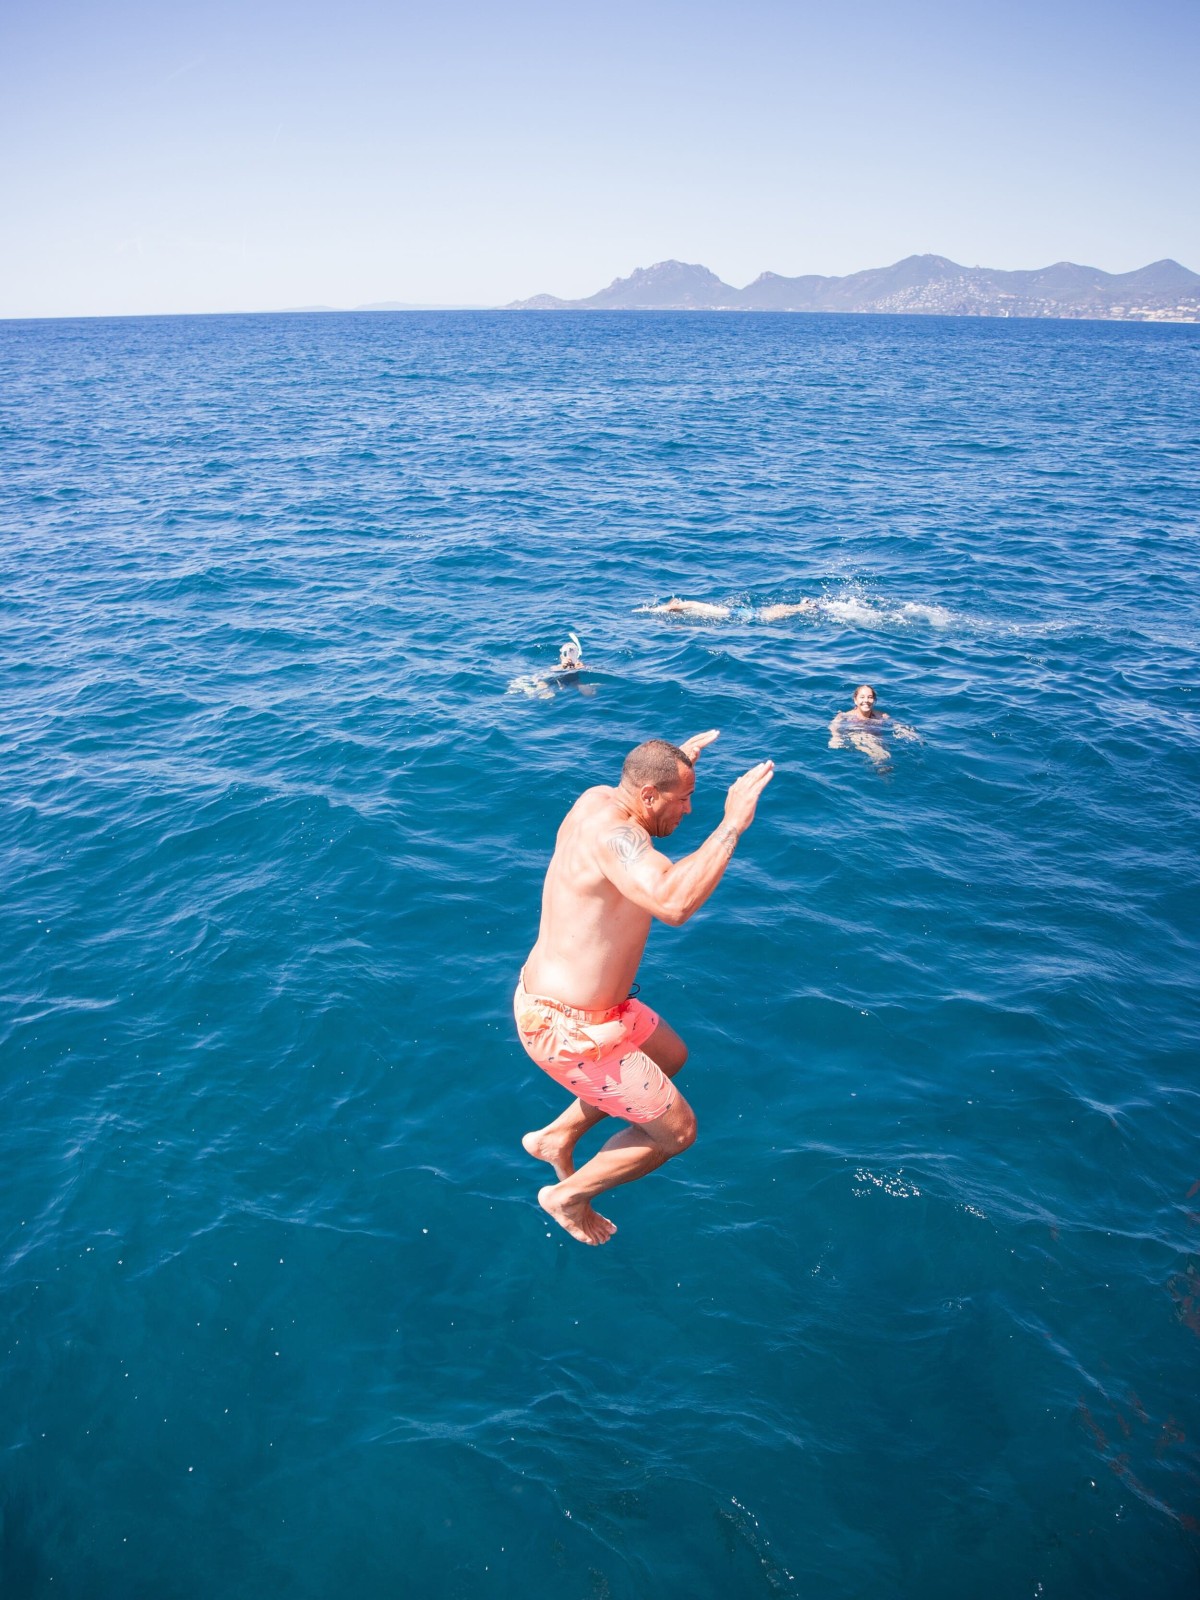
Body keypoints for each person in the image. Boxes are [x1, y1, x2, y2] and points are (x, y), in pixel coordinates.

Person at [515, 732, 774, 1244]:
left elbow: (643, 788)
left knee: (670, 1055)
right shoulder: (616, 837)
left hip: (578, 1004)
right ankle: (565, 1198)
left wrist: (676, 765)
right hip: (568, 1030)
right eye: (683, 800)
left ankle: (556, 1137)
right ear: (649, 796)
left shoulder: (596, 798)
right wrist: (732, 824)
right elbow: (673, 904)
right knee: (677, 1132)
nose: (691, 810)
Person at [828, 684, 918, 766]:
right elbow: (833, 725)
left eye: (870, 697)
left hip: (878, 739)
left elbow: (896, 724)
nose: (866, 700)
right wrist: (835, 737)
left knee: (887, 759)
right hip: (858, 736)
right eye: (862, 697)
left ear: (874, 700)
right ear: (855, 700)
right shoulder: (846, 716)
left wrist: (906, 731)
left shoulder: (881, 715)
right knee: (882, 757)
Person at [639, 597, 818, 621]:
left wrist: (648, 610)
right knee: (776, 609)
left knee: (773, 612)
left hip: (738, 615)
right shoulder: (691, 606)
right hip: (738, 613)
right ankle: (804, 606)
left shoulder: (691, 605)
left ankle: (806, 607)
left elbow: (669, 609)